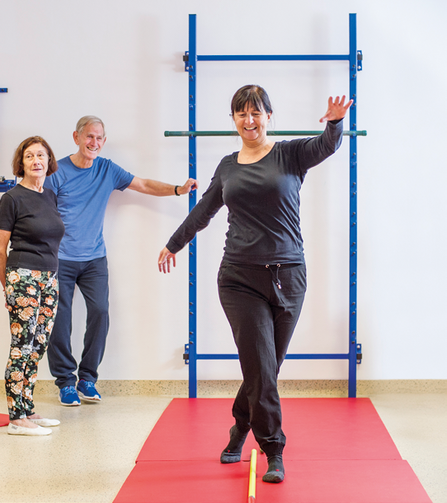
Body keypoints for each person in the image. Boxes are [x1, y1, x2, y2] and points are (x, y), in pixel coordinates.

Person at [158, 85, 352, 483]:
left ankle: (239, 428)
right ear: (233, 120)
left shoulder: (290, 154)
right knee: (262, 367)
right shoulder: (228, 167)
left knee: (266, 366)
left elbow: (326, 146)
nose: (250, 121)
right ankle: (273, 448)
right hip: (239, 278)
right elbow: (204, 212)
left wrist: (335, 124)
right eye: (241, 114)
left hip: (289, 276)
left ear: (269, 117)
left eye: (256, 113)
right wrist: (173, 243)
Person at [44, 115, 198, 406]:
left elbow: (144, 184)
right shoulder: (57, 172)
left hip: (94, 259)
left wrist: (178, 189)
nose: (95, 143)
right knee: (60, 321)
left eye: (100, 137)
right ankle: (65, 382)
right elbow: (40, 212)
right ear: (76, 138)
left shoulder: (106, 169)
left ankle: (87, 379)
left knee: (100, 313)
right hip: (61, 259)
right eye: (89, 136)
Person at [0, 136, 65, 436]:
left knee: (37, 346)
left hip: (49, 279)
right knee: (21, 347)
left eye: (42, 155)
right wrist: (9, 287)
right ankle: (15, 418)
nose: (37, 161)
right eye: (30, 156)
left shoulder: (49, 195)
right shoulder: (11, 198)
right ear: (20, 163)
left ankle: (28, 409)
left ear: (49, 161)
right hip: (23, 277)